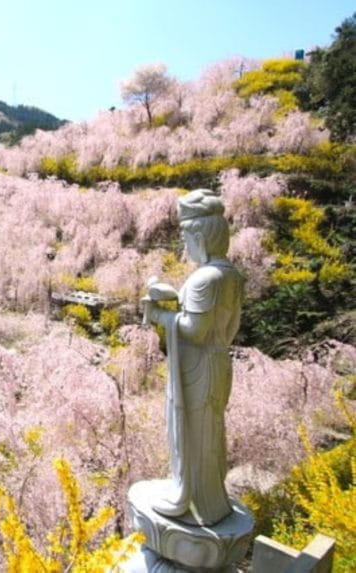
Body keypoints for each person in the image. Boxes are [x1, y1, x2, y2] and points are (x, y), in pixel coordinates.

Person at [143, 189, 244, 526]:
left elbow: (193, 330)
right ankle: (211, 498)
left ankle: (191, 498)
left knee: (192, 432)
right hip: (218, 361)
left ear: (200, 236)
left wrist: (159, 314)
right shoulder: (231, 274)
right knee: (210, 432)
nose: (184, 244)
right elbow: (224, 328)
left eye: (186, 236)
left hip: (198, 366)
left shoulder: (205, 278)